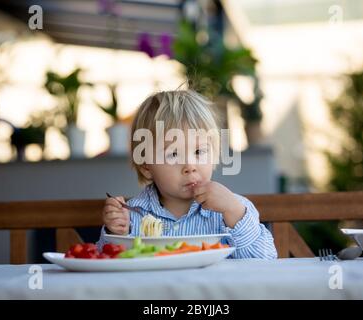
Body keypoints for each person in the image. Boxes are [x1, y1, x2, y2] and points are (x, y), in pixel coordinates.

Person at [97, 89, 277, 259]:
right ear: (146, 167)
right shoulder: (133, 216)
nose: (190, 166)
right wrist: (116, 233)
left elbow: (265, 258)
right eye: (173, 154)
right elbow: (106, 263)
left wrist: (234, 213)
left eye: (199, 152)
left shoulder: (234, 210)